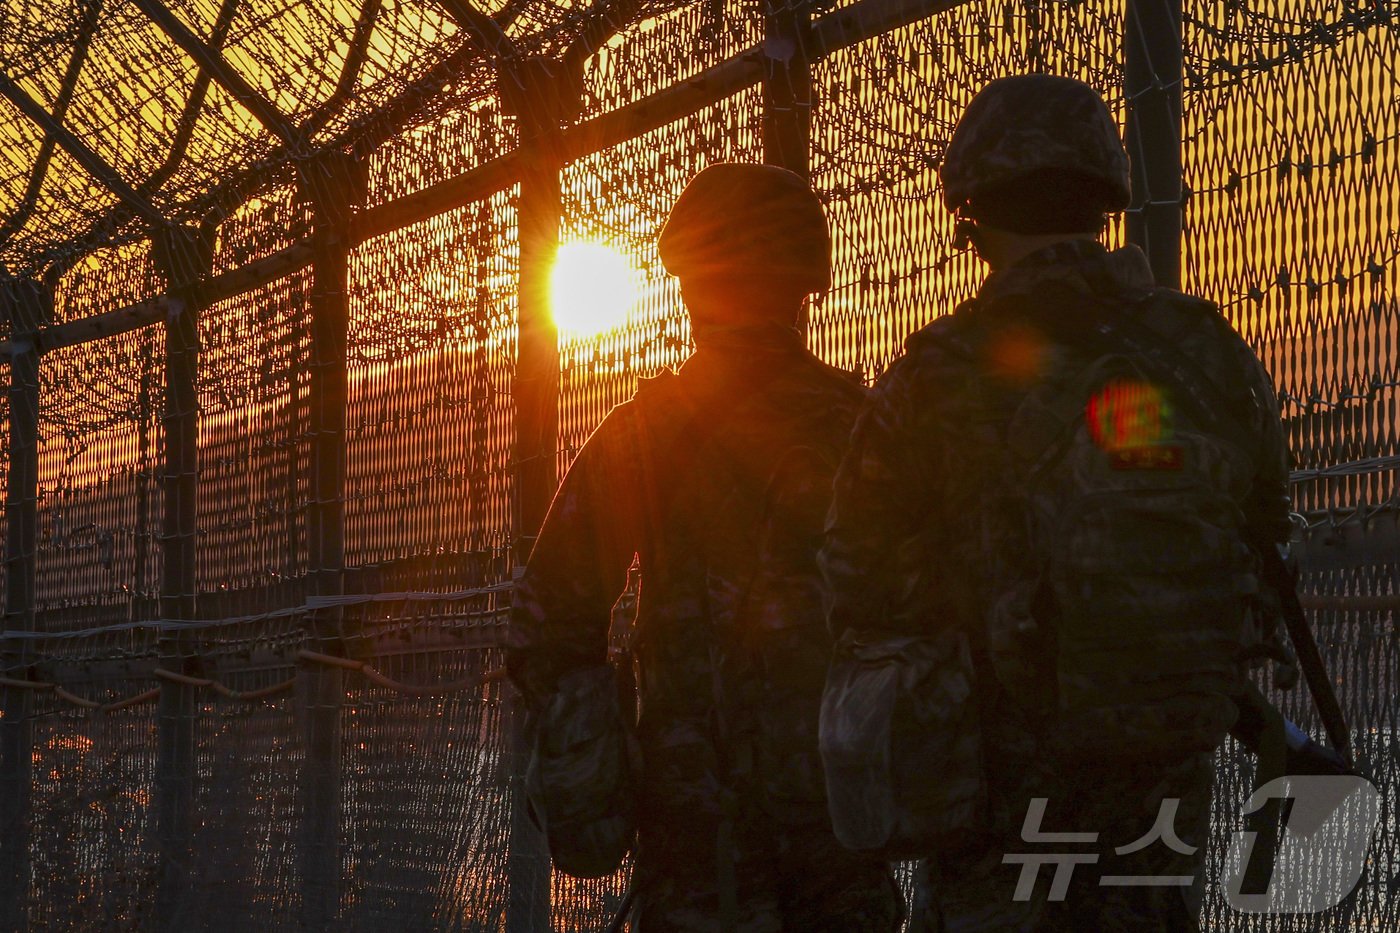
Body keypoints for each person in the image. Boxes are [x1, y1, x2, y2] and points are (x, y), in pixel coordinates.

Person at [821, 74, 1296, 931]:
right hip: (1160, 795)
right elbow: (1264, 523)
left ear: (972, 217)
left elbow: (855, 579)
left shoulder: (938, 371)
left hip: (999, 807)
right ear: (1106, 198)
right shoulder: (1205, 351)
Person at [507, 163, 903, 932]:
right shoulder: (866, 425)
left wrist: (602, 771)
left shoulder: (648, 430)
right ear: (807, 283)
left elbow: (549, 616)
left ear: (688, 286)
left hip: (697, 841)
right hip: (842, 823)